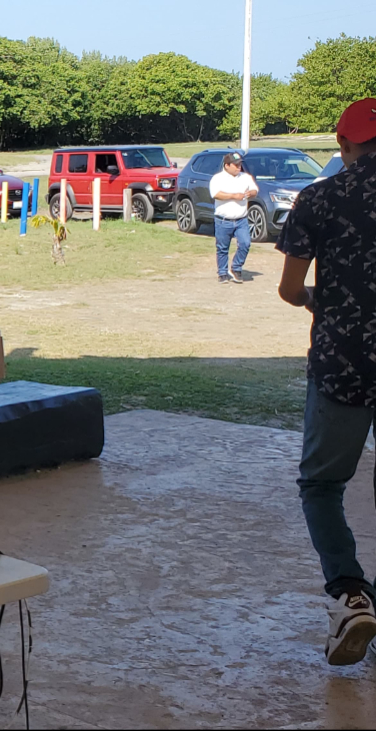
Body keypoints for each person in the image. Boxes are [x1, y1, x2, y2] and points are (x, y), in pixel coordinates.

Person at [276, 97, 376, 666]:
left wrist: (320, 299)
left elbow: (290, 289)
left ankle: (350, 595)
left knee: (321, 485)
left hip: (343, 363)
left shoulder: (320, 197)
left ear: (343, 146)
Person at [209, 151, 259, 284]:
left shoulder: (245, 177)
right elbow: (216, 194)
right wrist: (233, 196)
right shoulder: (218, 178)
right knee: (222, 248)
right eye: (235, 165)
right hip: (223, 219)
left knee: (245, 243)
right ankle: (222, 273)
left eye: (239, 164)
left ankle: (236, 268)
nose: (238, 167)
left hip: (241, 219)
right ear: (227, 165)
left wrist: (251, 193)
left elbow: (255, 190)